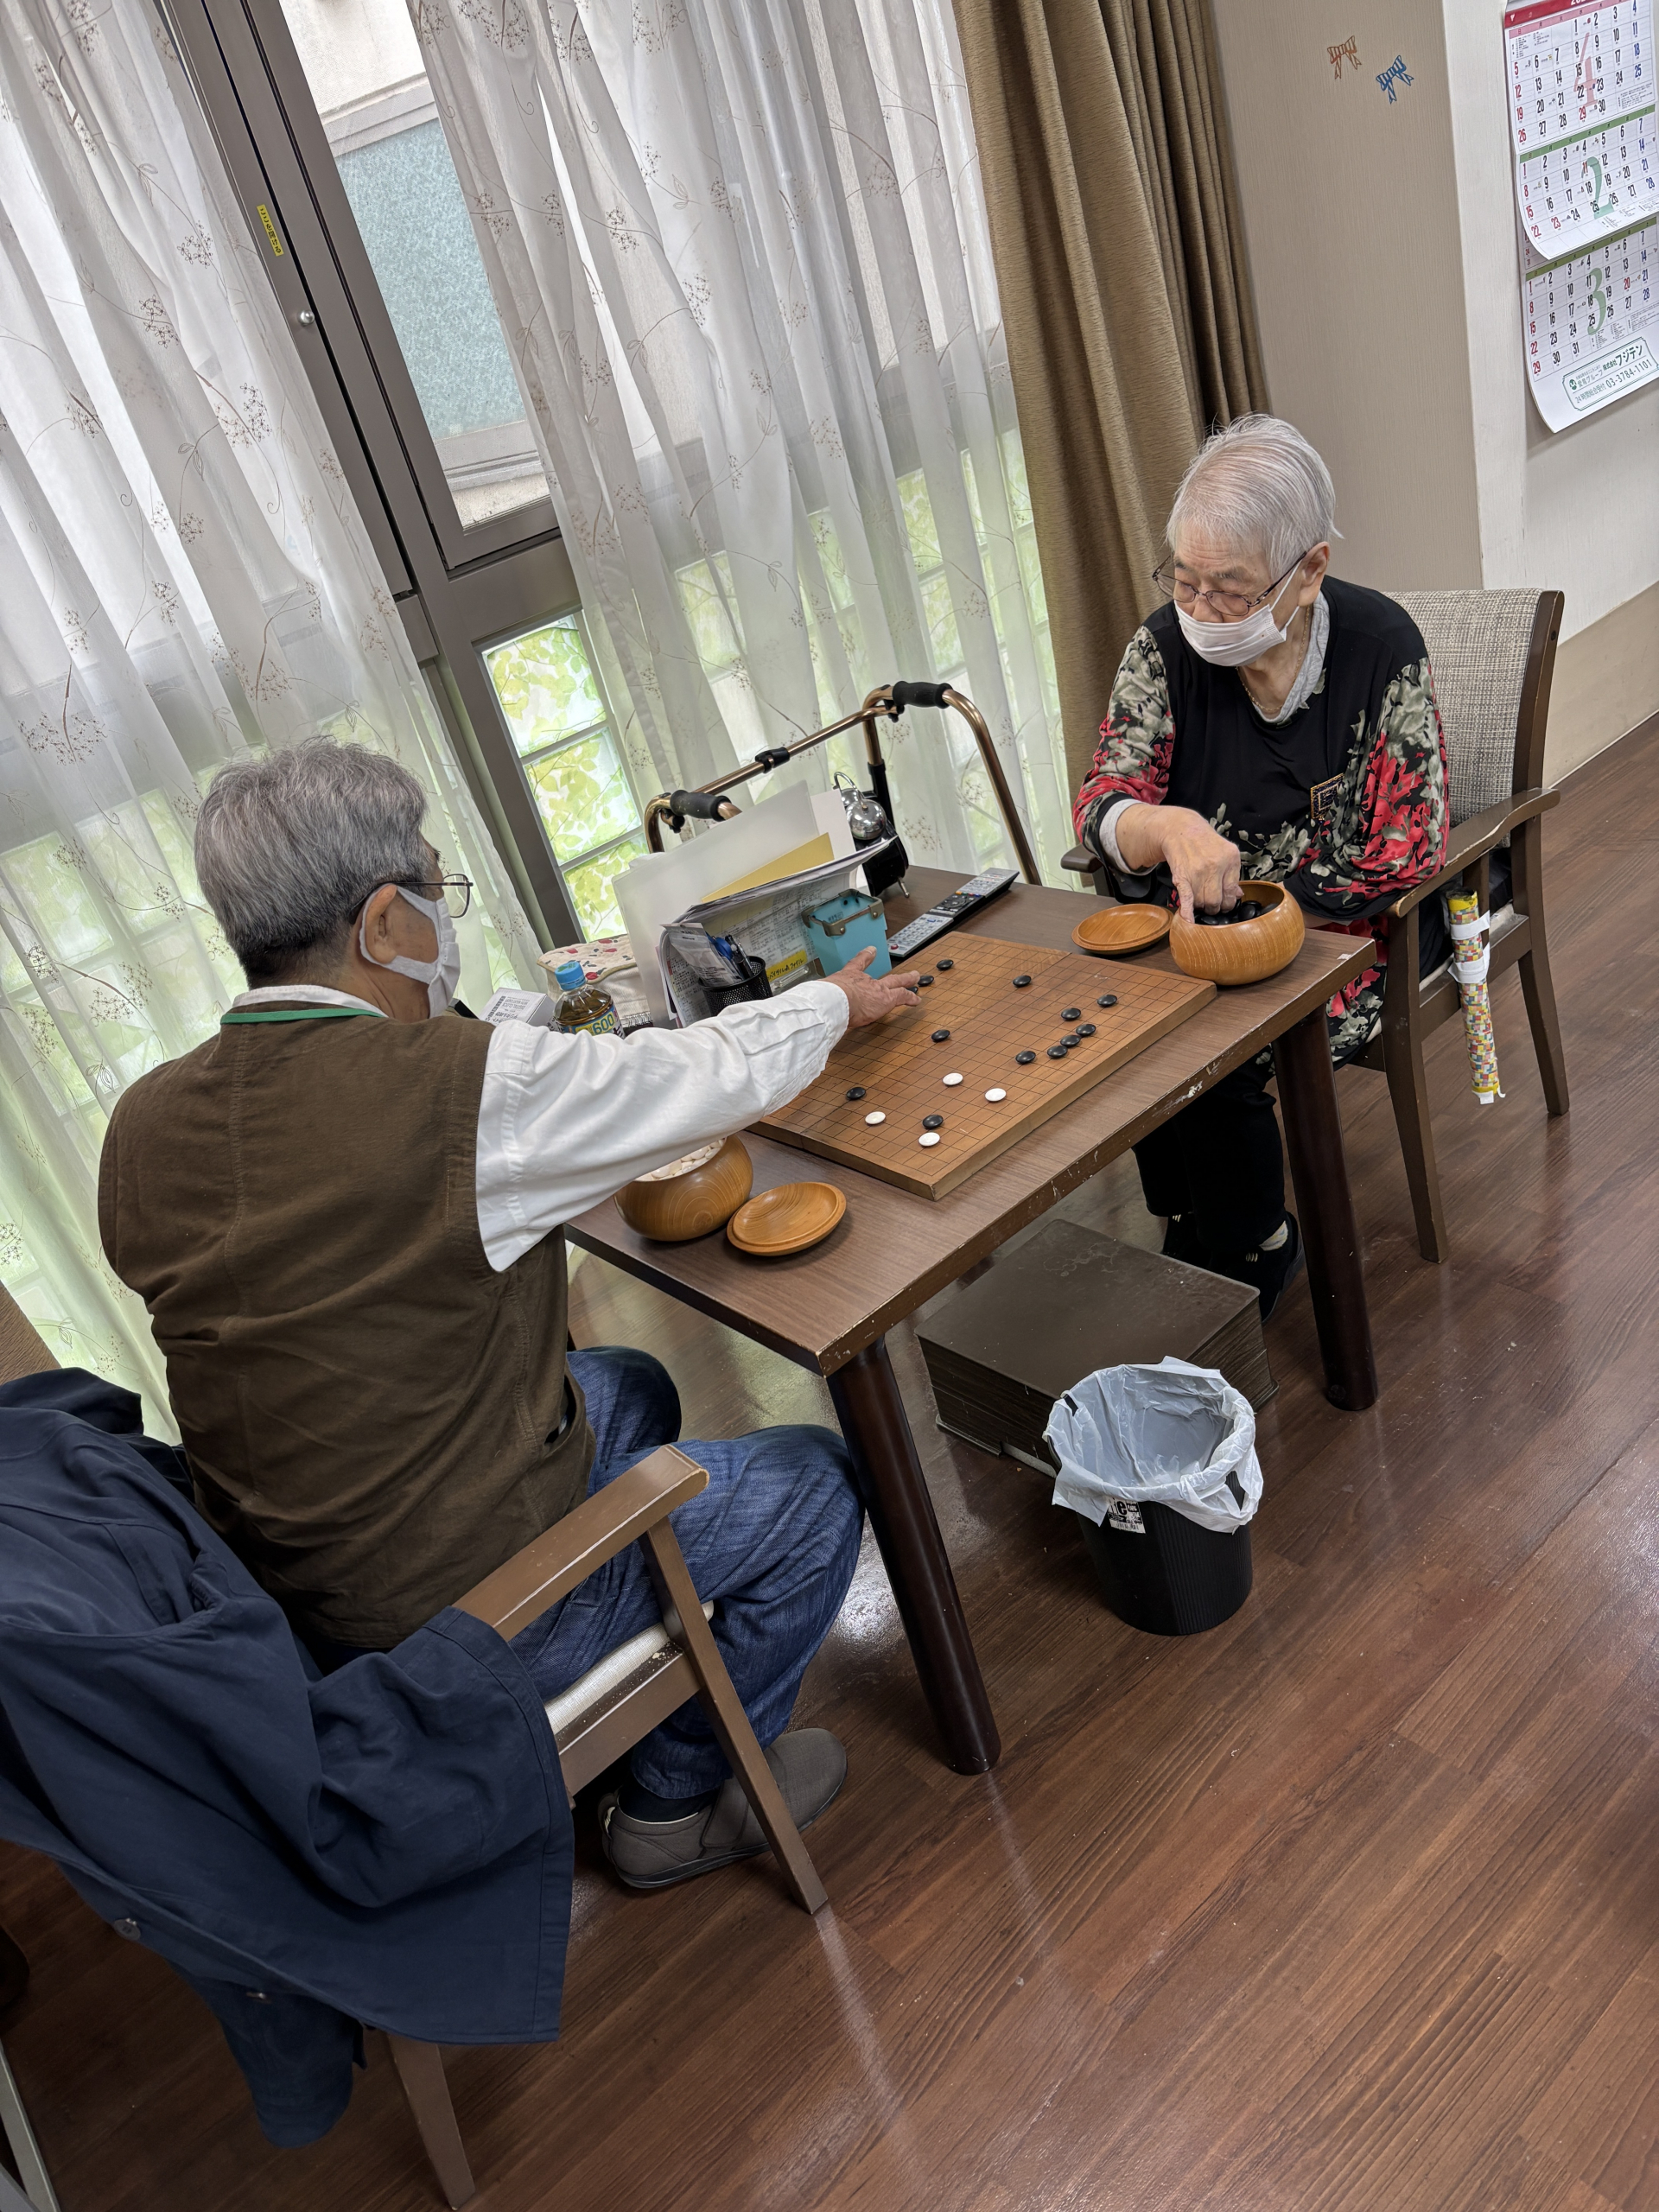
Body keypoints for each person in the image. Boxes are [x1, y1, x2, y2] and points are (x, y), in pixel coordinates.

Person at [99, 741, 921, 1892]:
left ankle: (631, 1686)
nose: (445, 916)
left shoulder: (140, 1125)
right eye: (436, 887)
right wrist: (832, 1000)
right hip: (449, 1628)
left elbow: (332, 1234)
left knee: (625, 1384)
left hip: (297, 1594)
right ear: (385, 921)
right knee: (815, 1486)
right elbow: (698, 1082)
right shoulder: (454, 1087)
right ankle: (676, 1800)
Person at [1073, 415, 1449, 1314]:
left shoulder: (1379, 648)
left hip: (1344, 937)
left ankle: (1255, 1242)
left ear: (1308, 570)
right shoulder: (1163, 650)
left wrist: (1259, 916)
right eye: (1185, 580)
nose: (1200, 610)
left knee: (1218, 1049)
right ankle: (1192, 1212)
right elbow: (1104, 801)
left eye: (1231, 590)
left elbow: (1406, 844)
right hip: (1198, 930)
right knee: (1124, 1015)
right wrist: (1163, 826)